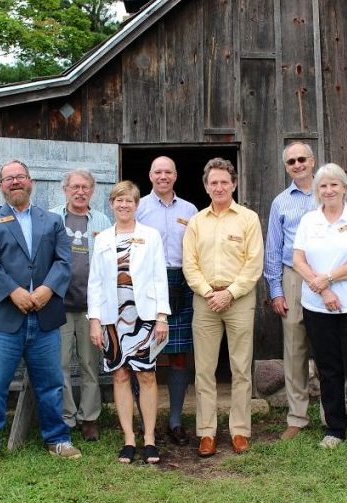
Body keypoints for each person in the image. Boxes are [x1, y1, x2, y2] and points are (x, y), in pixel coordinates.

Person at [0, 159, 80, 472]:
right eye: (9, 178)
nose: (15, 182)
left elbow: (63, 261)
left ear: (31, 182)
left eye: (20, 177)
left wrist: (48, 289)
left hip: (44, 316)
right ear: (1, 186)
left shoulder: (52, 221)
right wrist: (13, 291)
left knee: (51, 383)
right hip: (1, 319)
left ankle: (57, 438)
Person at [292, 164, 347, 463]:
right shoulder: (309, 220)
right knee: (328, 370)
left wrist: (329, 278)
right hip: (318, 306)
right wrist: (324, 290)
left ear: (345, 187)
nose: (328, 190)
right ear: (317, 192)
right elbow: (298, 259)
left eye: (334, 185)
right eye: (323, 186)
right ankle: (335, 429)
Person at [182, 158, 264, 457]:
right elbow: (189, 264)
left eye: (224, 182)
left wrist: (229, 293)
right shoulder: (196, 221)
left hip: (239, 300)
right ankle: (207, 432)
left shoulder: (248, 218)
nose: (219, 187)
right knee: (204, 370)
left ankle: (240, 430)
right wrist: (207, 291)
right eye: (213, 182)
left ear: (234, 184)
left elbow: (254, 263)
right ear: (206, 186)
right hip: (204, 301)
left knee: (241, 368)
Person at [88, 181, 170, 464]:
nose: (124, 205)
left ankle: (149, 438)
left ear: (137, 205)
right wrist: (95, 321)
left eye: (129, 201)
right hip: (112, 318)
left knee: (146, 375)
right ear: (111, 204)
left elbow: (161, 277)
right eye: (118, 200)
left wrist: (161, 317)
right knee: (120, 375)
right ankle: (128, 439)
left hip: (144, 316)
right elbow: (95, 282)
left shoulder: (150, 236)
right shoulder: (102, 239)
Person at [136, 156, 198, 446]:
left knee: (179, 353)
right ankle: (145, 421)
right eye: (158, 171)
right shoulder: (139, 207)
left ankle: (175, 420)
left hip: (182, 280)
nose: (163, 176)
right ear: (150, 175)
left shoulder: (190, 209)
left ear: (175, 176)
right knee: (143, 353)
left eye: (168, 172)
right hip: (147, 283)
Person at [50, 169, 111, 442]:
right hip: (60, 304)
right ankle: (66, 417)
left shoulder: (101, 220)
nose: (80, 191)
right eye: (75, 186)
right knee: (60, 364)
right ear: (65, 189)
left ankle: (89, 418)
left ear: (92, 190)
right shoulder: (52, 217)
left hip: (91, 306)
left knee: (89, 364)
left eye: (86, 187)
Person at [263, 142, 318, 440]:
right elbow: (273, 247)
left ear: (312, 161)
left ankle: (332, 415)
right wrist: (276, 290)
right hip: (293, 276)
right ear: (286, 167)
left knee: (328, 347)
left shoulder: (330, 192)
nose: (297, 165)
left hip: (326, 276)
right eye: (291, 162)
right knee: (295, 347)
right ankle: (297, 418)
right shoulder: (281, 202)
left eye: (301, 159)